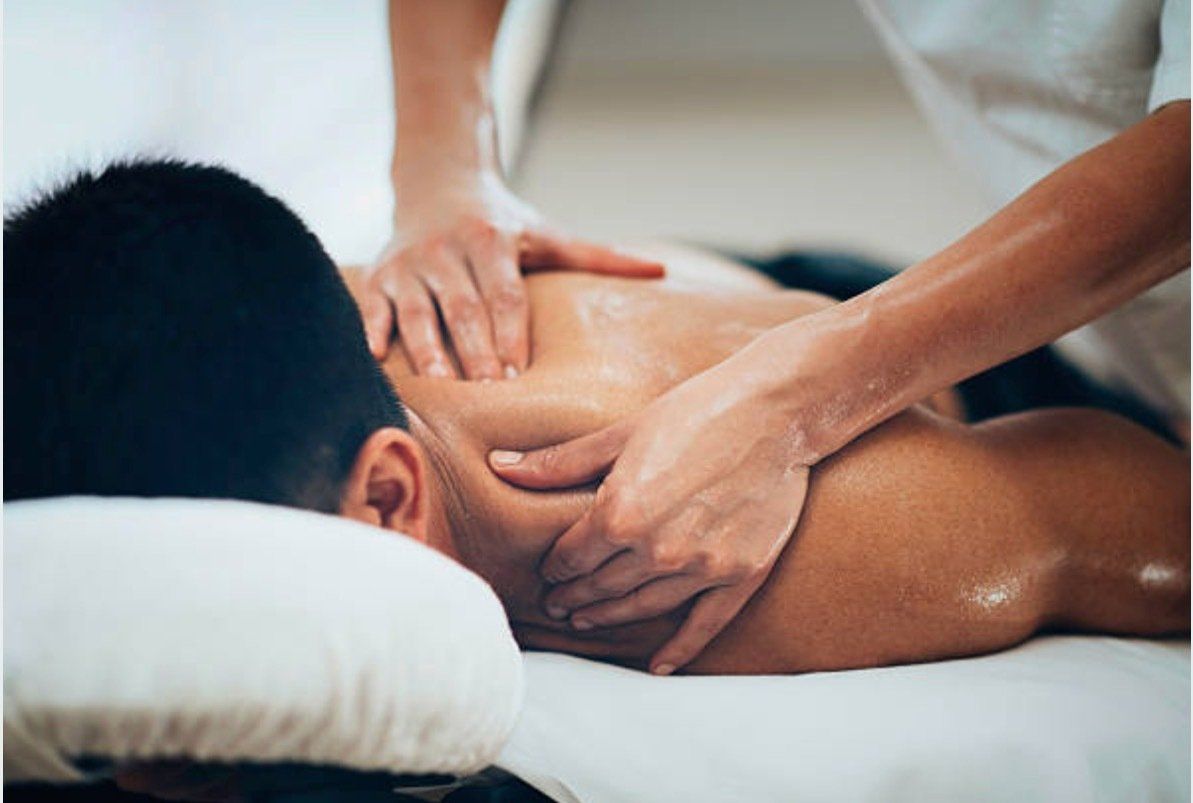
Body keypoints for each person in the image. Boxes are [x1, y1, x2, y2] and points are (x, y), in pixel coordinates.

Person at [7, 161, 1187, 678]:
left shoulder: (764, 564)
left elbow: (1122, 502)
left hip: (985, 374)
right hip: (699, 277)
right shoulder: (266, 332)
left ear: (389, 499)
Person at [369, 0, 1191, 673]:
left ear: (386, 497)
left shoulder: (851, 541)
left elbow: (1160, 523)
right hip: (778, 294)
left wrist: (797, 398)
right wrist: (444, 166)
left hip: (968, 378)